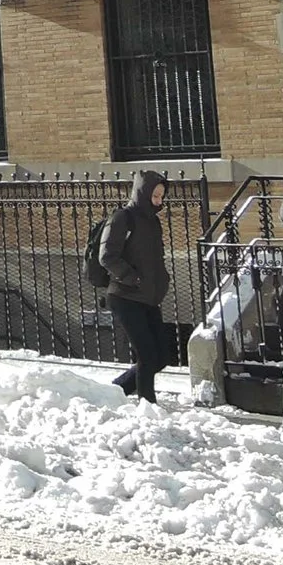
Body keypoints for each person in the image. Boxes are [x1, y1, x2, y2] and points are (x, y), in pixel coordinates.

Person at [97, 169, 172, 402]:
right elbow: (107, 256)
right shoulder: (123, 217)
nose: (159, 201)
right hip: (125, 296)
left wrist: (162, 281)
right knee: (147, 355)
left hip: (148, 297)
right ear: (143, 193)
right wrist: (133, 278)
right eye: (155, 195)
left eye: (161, 196)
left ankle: (115, 391)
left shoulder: (153, 222)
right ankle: (147, 405)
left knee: (161, 356)